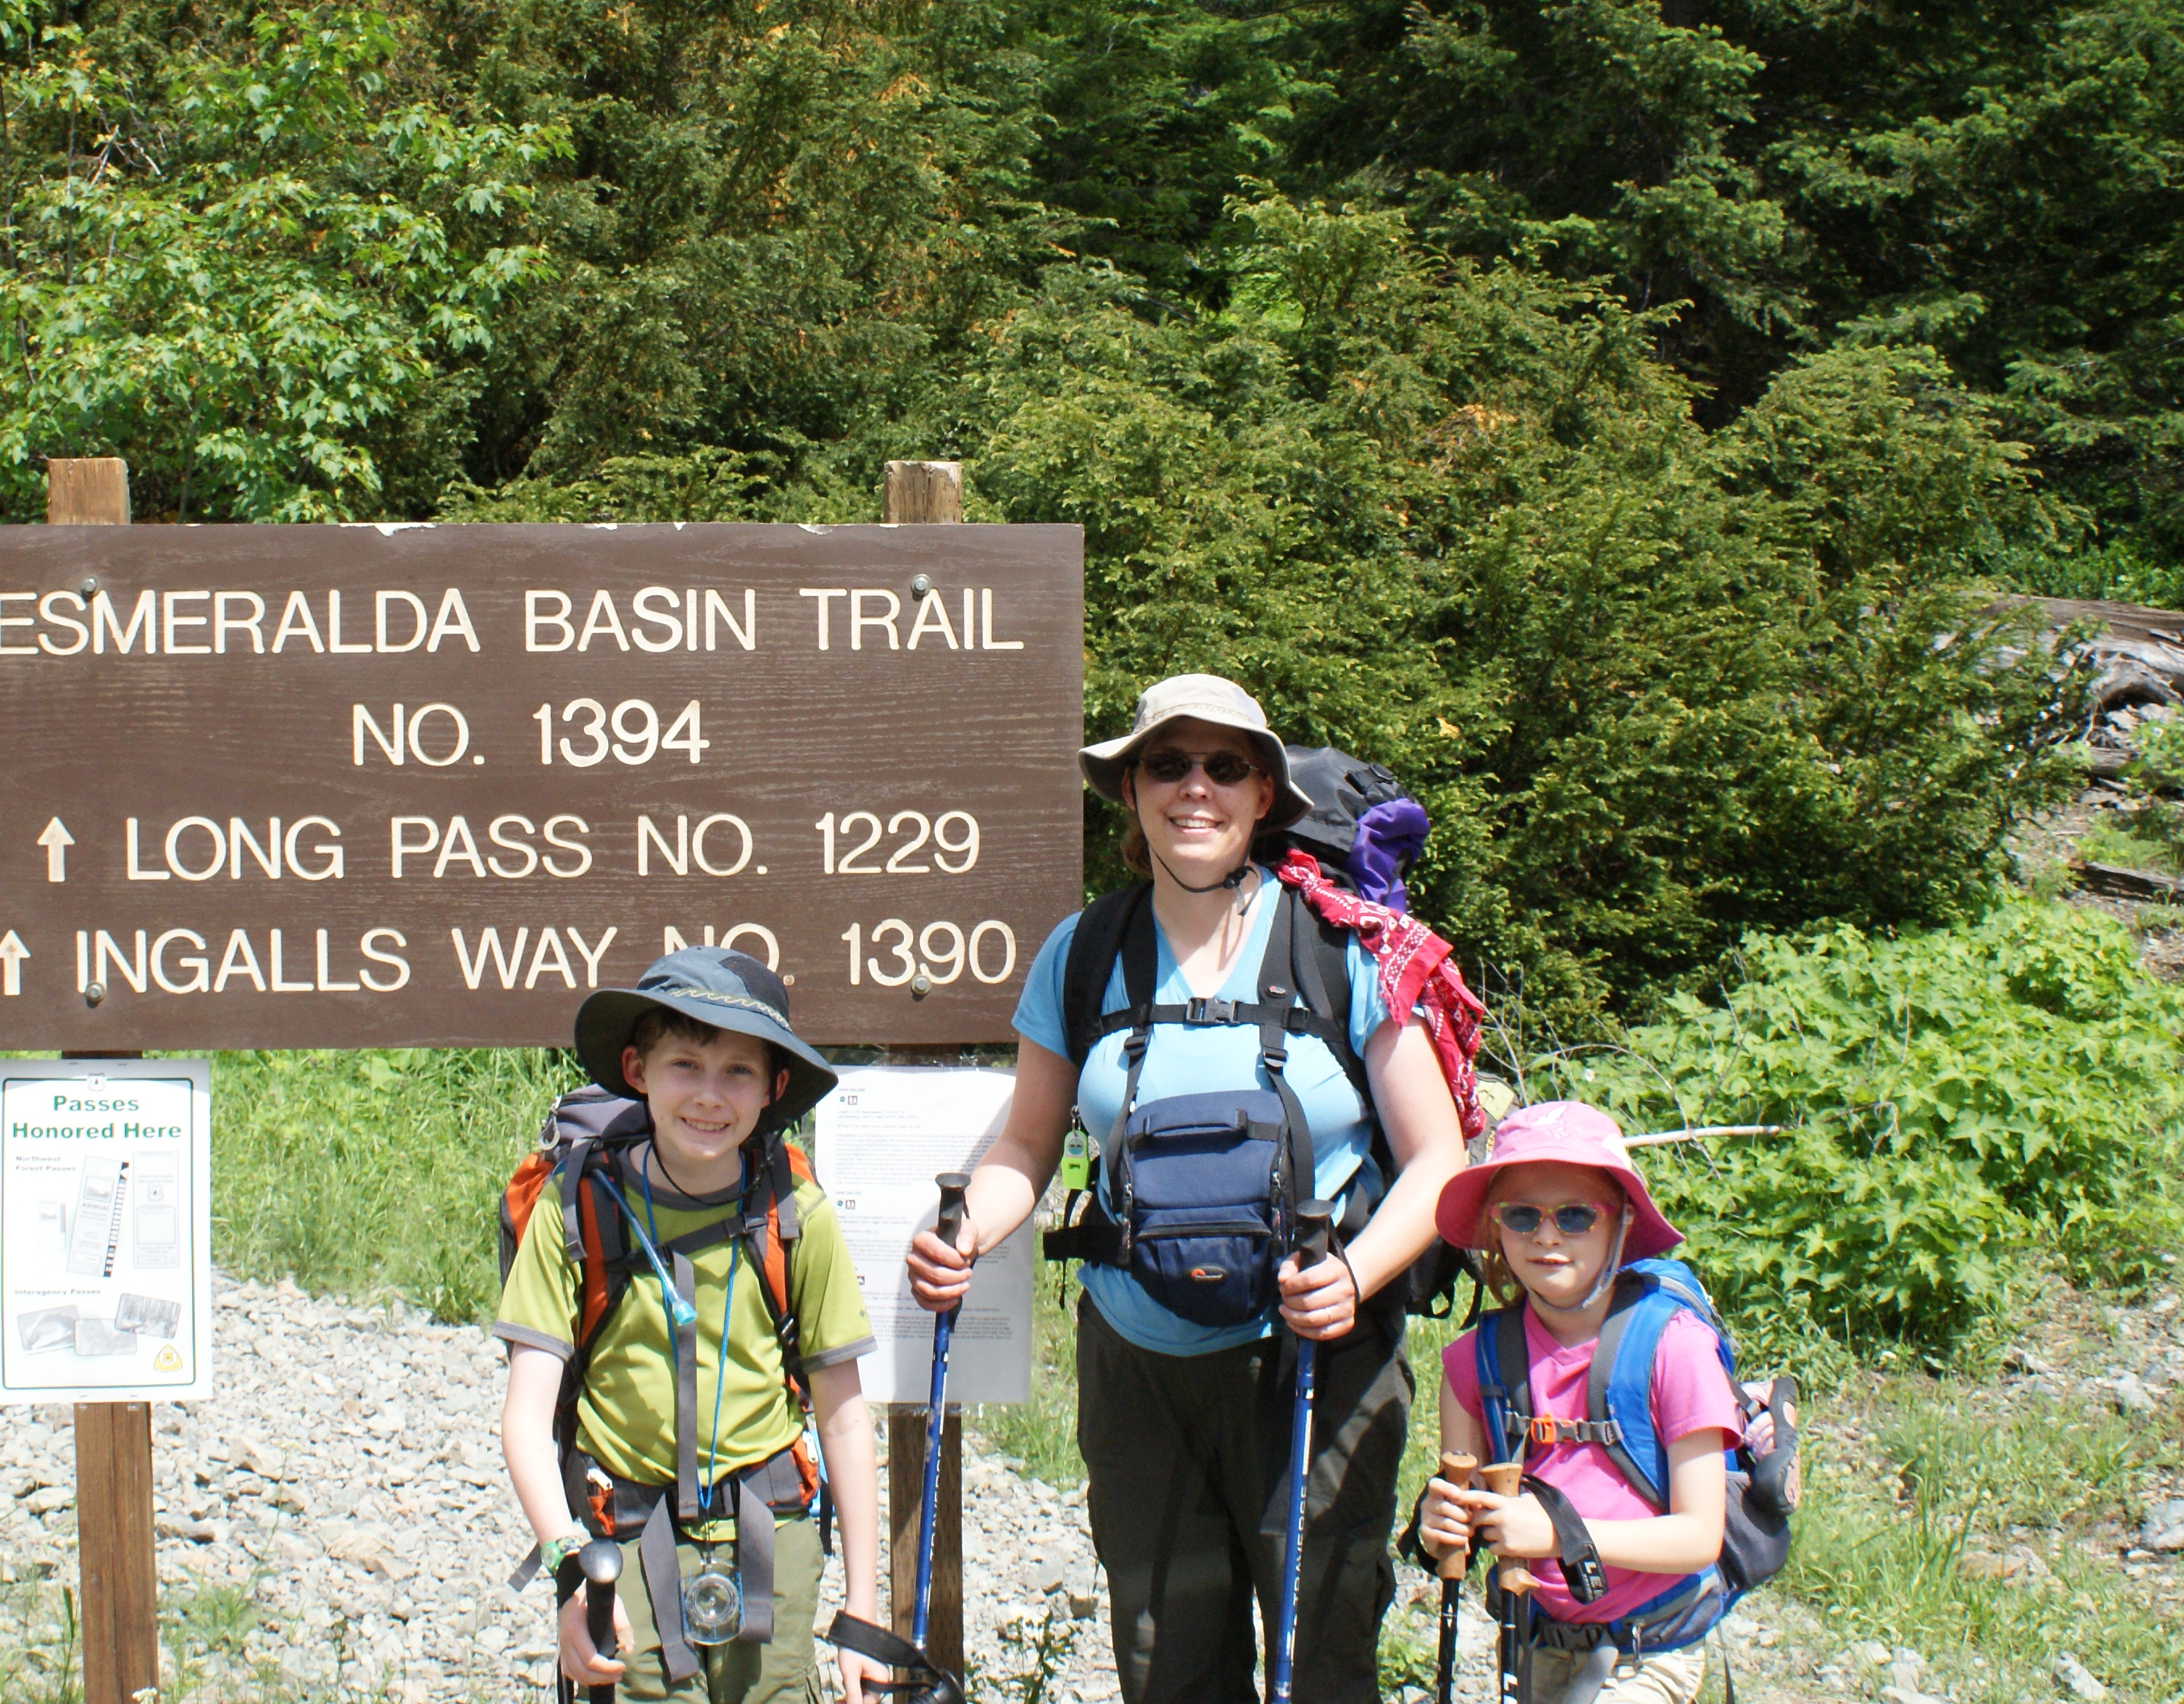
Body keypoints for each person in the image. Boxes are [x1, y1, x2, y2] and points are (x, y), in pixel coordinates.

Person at [903, 673, 1467, 1704]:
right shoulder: (1083, 956)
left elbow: (1439, 1161)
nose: (1193, 788)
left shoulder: (1339, 946)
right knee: (1168, 1668)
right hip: (1139, 1372)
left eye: (1224, 767)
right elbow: (1025, 1149)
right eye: (1166, 764)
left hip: (1317, 1361)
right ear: (1129, 792)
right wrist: (963, 1236)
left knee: (1324, 1662)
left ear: (1263, 795)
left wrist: (1353, 1275)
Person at [496, 947, 882, 1703]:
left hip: (774, 1526)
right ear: (639, 1070)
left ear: (773, 1089)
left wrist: (862, 1608)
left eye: (738, 1072)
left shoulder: (794, 1213)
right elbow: (524, 1418)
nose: (710, 1097)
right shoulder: (575, 1208)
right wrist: (570, 1570)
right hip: (624, 1534)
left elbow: (842, 1415)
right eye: (685, 1066)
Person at [1413, 1102, 1736, 1704]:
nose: (1546, 1235)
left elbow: (1699, 1538)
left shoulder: (1674, 1347)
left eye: (1576, 1215)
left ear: (1621, 1224)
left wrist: (1562, 1535)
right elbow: (1467, 1517)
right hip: (1535, 1643)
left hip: (1650, 1647)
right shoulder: (1472, 1362)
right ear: (1494, 1227)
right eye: (1521, 1215)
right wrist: (1440, 1529)